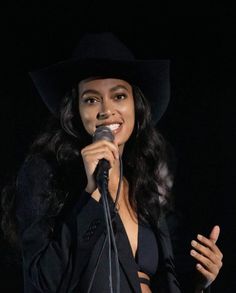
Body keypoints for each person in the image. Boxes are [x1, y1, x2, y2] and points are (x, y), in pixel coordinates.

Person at [1, 32, 223, 293]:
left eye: (119, 96)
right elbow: (41, 283)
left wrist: (201, 284)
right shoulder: (47, 173)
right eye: (91, 99)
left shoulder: (144, 188)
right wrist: (91, 195)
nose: (106, 109)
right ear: (75, 111)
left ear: (135, 106)